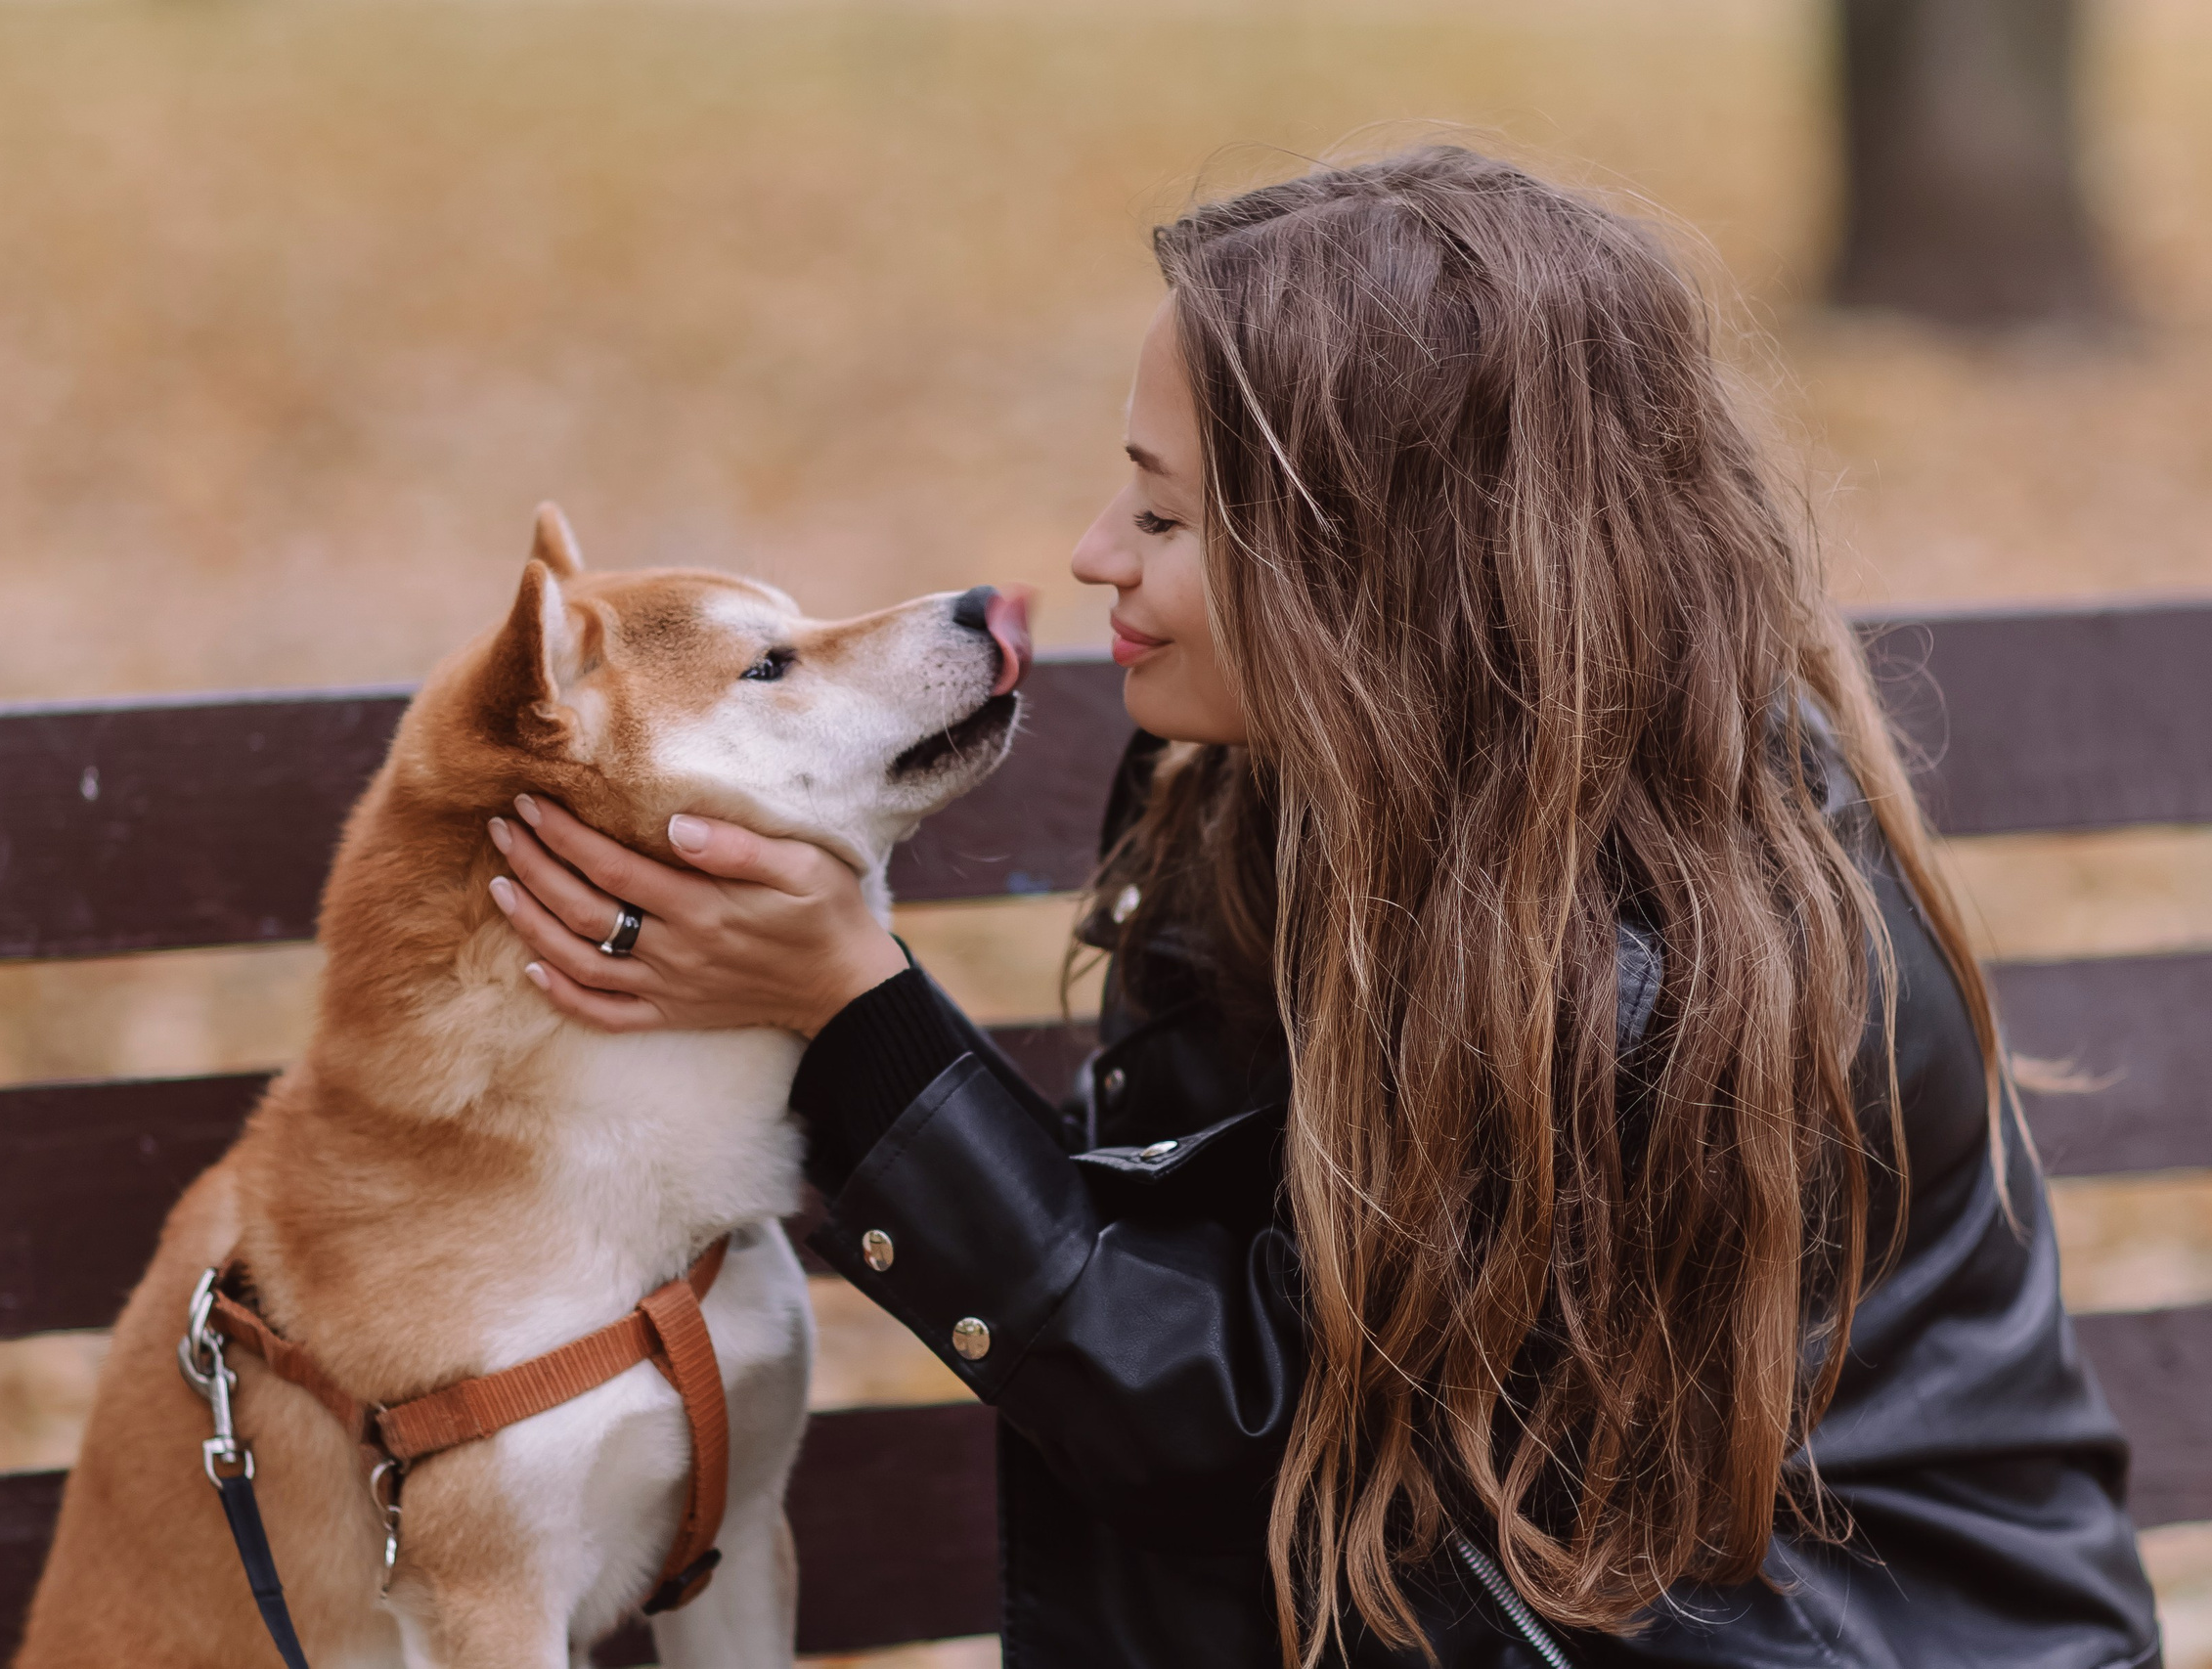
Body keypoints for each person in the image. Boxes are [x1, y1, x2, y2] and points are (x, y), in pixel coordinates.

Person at [483, 147, 2162, 1668]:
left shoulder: (1640, 972)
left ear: (1374, 574)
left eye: (1160, 514)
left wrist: (858, 1021)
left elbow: (1257, 1439)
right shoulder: (1316, 793)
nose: (1087, 555)